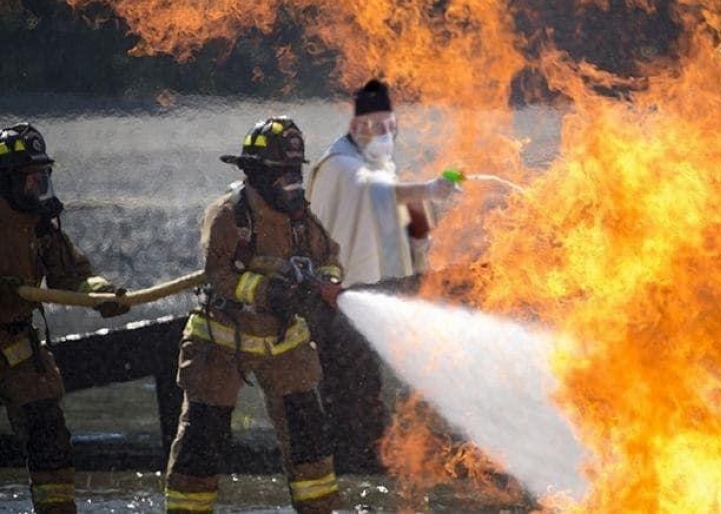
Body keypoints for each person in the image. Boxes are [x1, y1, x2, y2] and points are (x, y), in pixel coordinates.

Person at [164, 116, 344, 514]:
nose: (291, 182)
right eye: (282, 173)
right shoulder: (228, 216)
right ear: (257, 174)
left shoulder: (301, 218)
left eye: (294, 172)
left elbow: (329, 255)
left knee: (308, 439)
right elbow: (220, 275)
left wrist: (325, 284)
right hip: (221, 340)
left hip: (284, 343)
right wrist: (267, 292)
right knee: (202, 441)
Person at [306, 79, 458, 473]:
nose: (385, 136)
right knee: (346, 386)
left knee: (370, 387)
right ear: (357, 128)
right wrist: (426, 188)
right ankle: (347, 464)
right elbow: (373, 192)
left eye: (391, 128)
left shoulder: (383, 171)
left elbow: (409, 226)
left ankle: (372, 459)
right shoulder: (340, 166)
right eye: (376, 127)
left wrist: (425, 212)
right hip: (334, 298)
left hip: (379, 295)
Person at [0, 122, 129, 514]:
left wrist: (100, 293)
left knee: (51, 441)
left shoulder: (39, 225)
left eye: (44, 178)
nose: (39, 189)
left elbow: (72, 274)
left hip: (19, 350)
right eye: (31, 180)